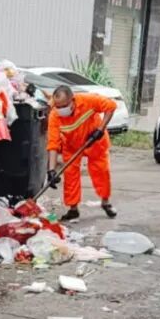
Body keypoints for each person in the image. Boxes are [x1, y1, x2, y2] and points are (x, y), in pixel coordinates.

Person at [45, 85, 117, 220]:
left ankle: (105, 202)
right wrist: (51, 170)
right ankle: (73, 209)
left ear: (72, 100)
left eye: (64, 106)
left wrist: (100, 129)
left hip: (95, 141)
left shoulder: (88, 100)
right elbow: (53, 143)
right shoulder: (54, 115)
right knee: (70, 176)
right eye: (58, 106)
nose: (60, 110)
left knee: (101, 172)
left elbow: (111, 106)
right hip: (72, 146)